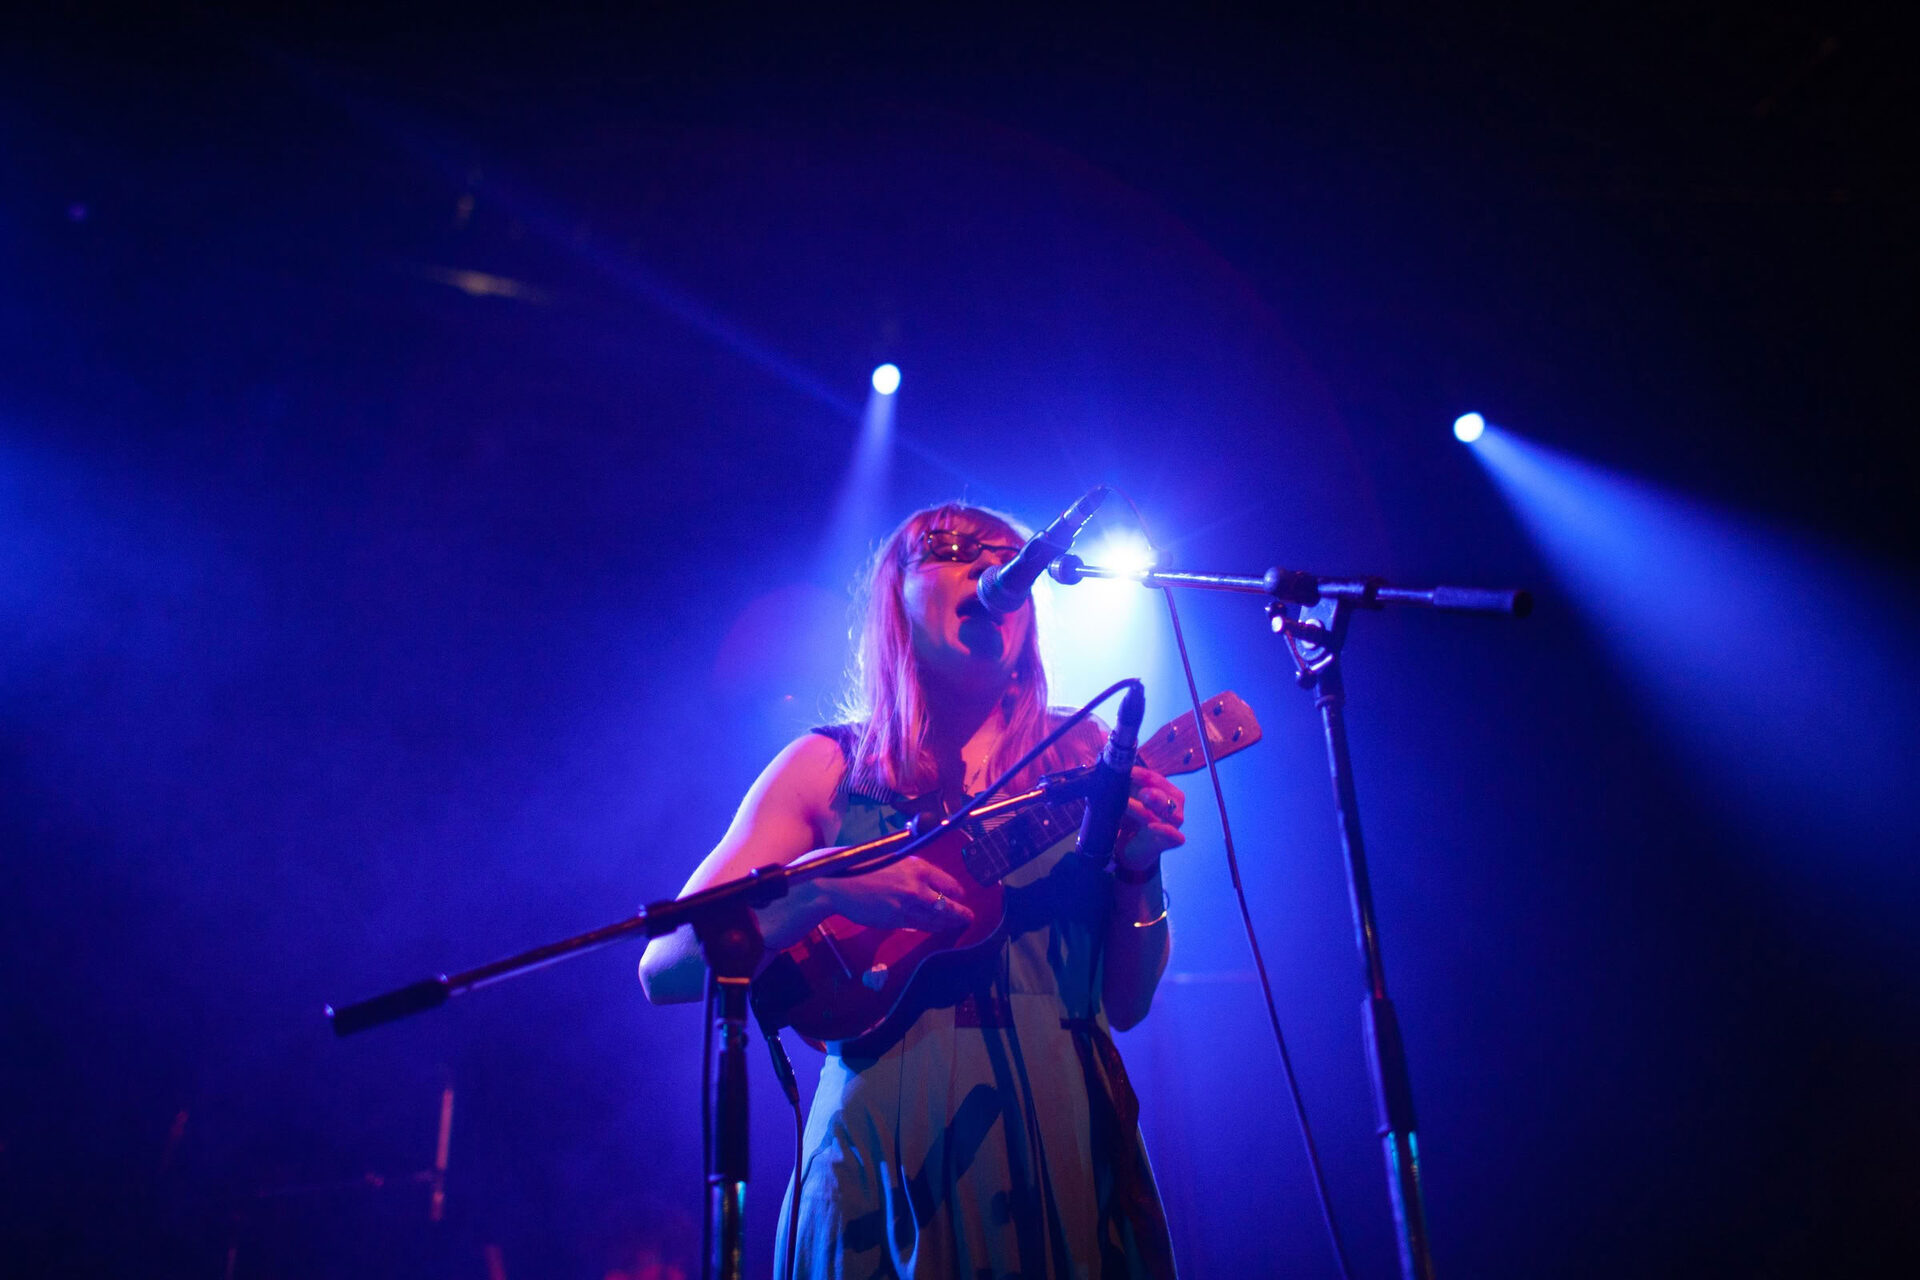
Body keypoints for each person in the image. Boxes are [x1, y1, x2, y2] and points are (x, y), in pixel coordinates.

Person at [639, 501, 1186, 1278]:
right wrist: (828, 888)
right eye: (951, 550)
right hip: (884, 1145)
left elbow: (1127, 1007)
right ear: (894, 596)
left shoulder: (1091, 751)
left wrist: (1141, 867)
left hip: (1070, 1129)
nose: (990, 566)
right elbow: (665, 967)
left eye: (1005, 554)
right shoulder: (829, 767)